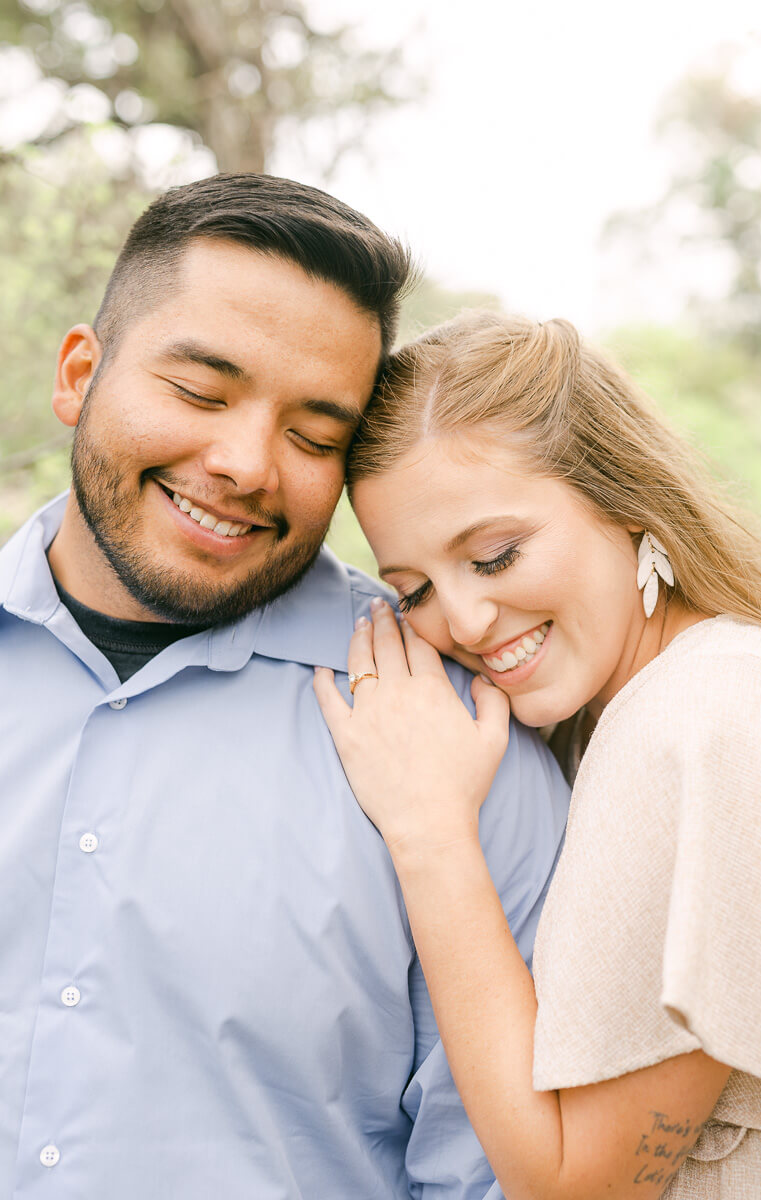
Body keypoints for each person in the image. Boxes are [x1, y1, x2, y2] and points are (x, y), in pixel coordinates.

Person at [0, 179, 570, 1198]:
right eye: (202, 392)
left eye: (313, 437)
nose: (245, 464)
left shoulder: (459, 740)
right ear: (80, 375)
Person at [314, 310, 761, 1200]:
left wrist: (429, 827)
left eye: (496, 556)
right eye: (413, 590)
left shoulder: (695, 722)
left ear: (624, 496)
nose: (461, 622)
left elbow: (575, 1188)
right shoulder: (704, 693)